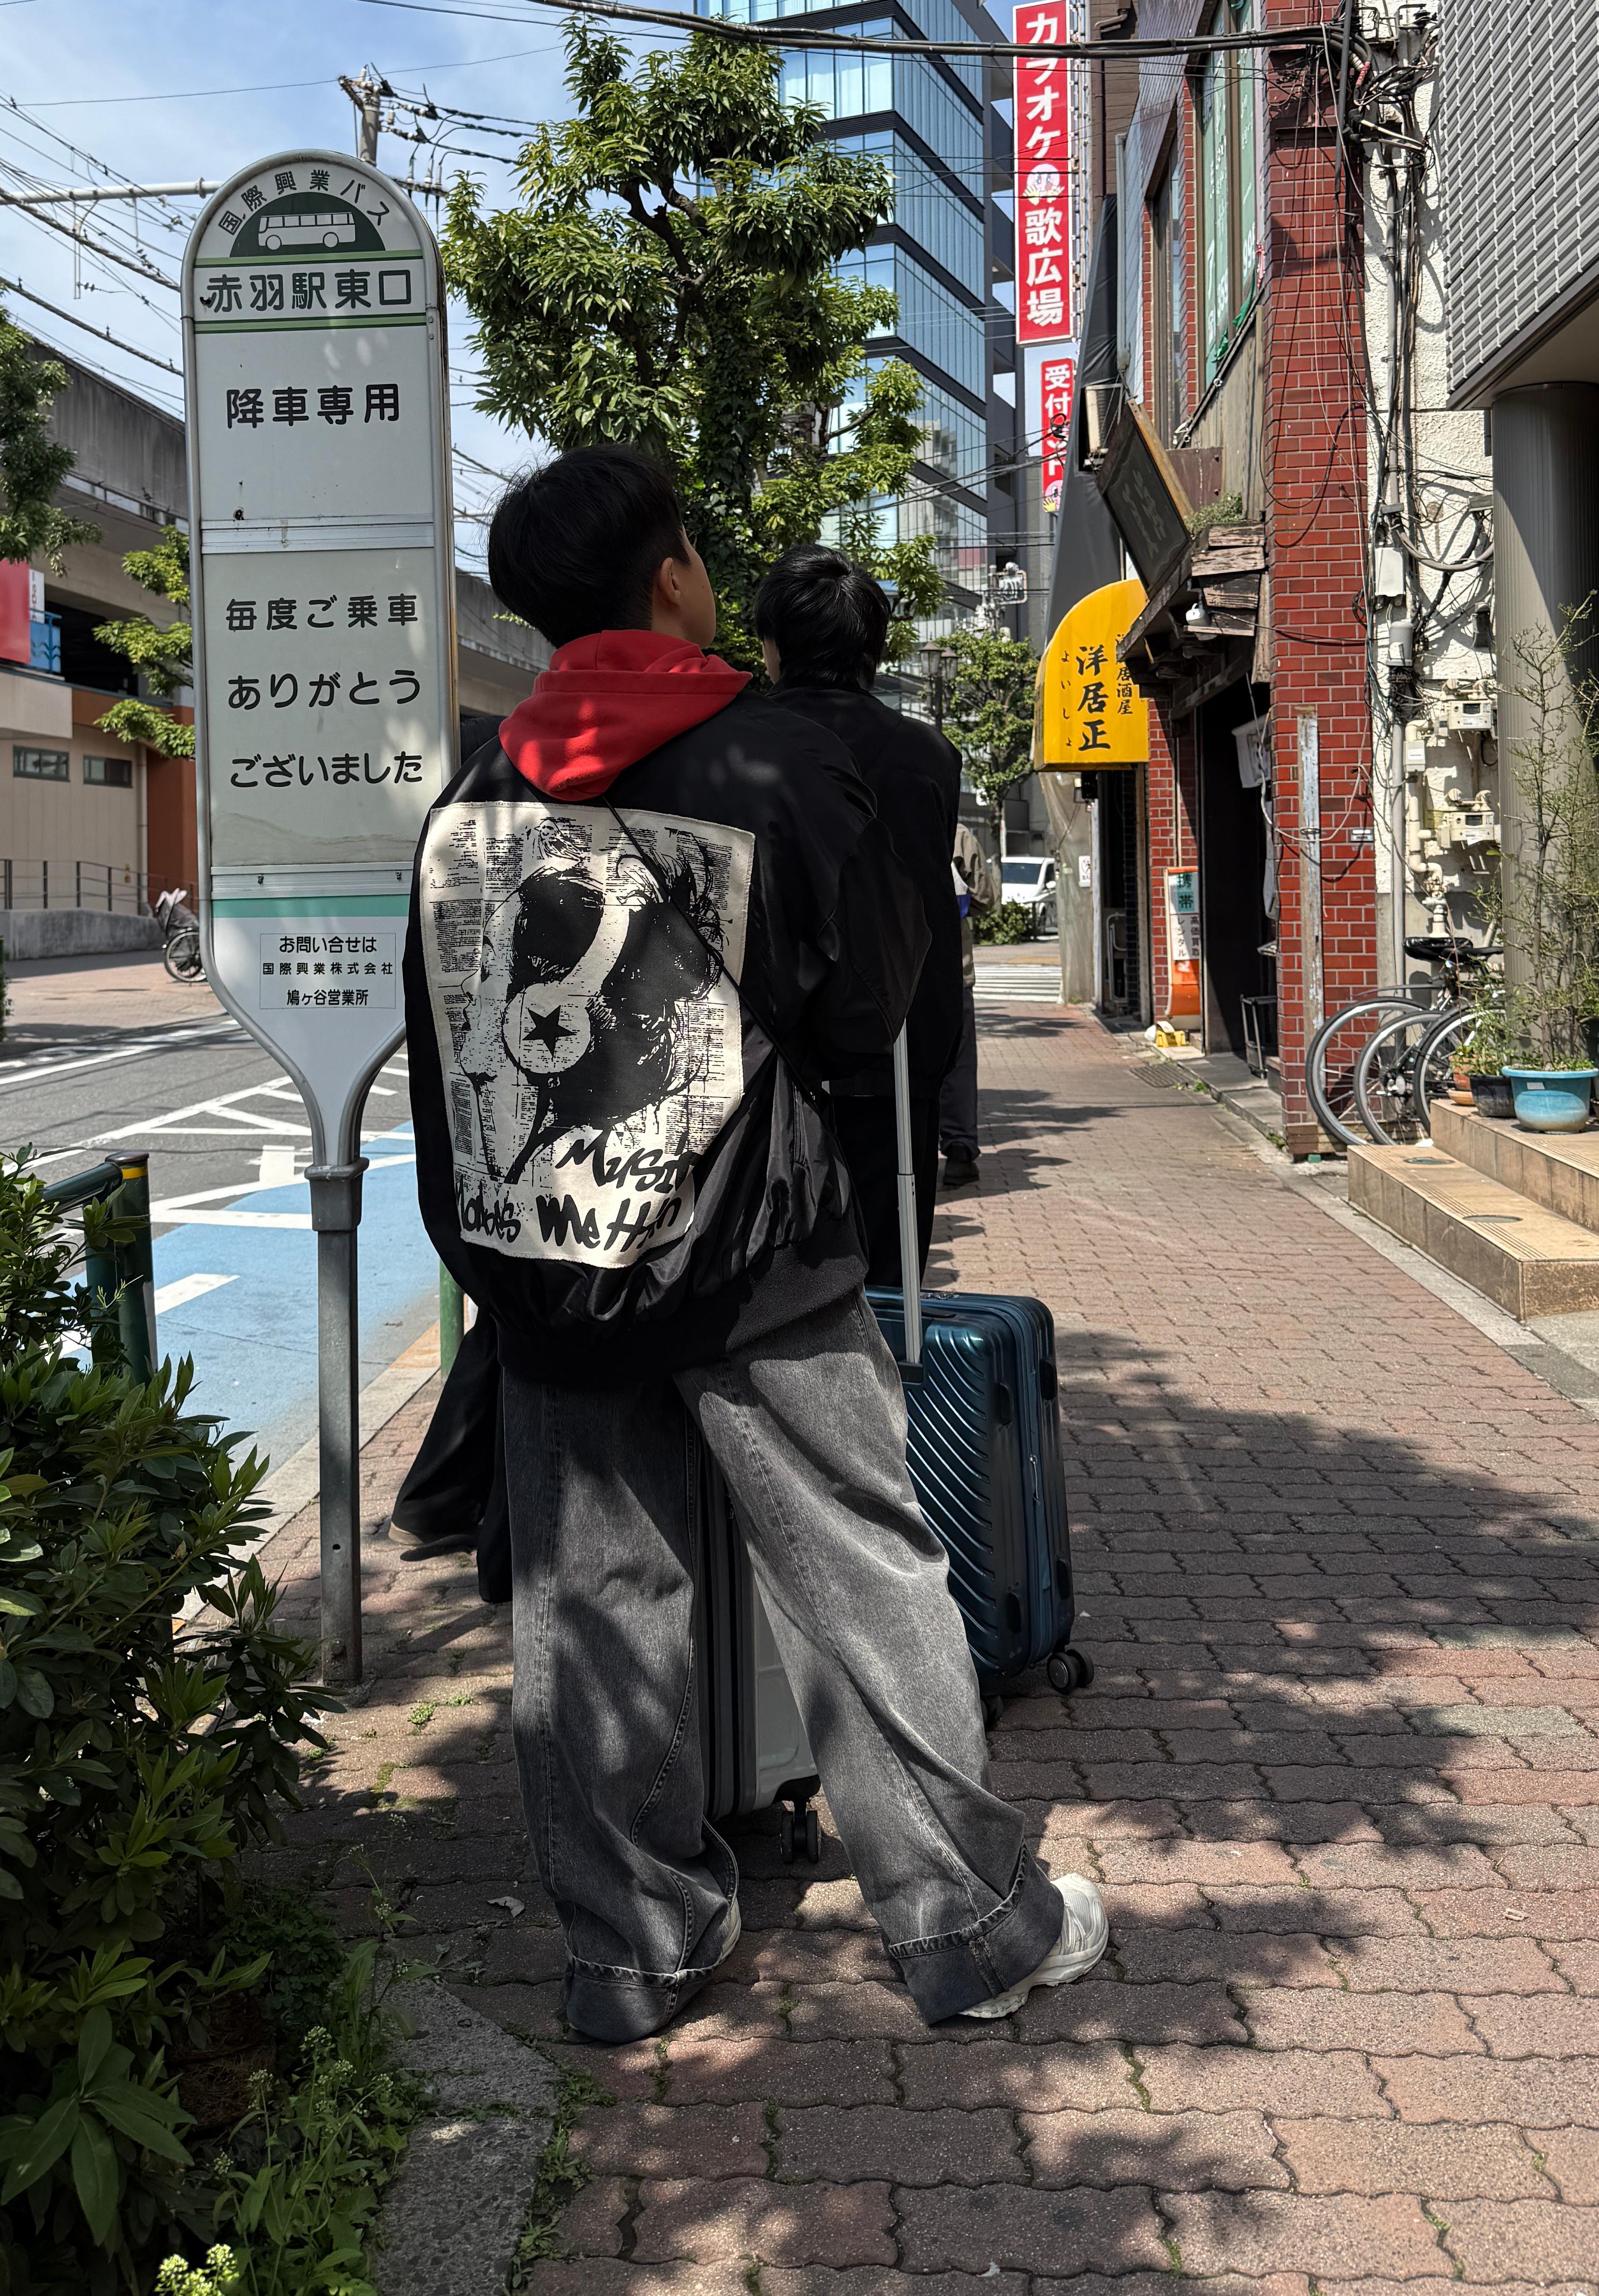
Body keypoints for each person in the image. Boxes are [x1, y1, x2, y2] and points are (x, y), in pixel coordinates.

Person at [404, 445, 1106, 2043]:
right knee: (860, 1568)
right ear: (670, 575)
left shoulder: (477, 786)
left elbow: (450, 1044)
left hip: (549, 1261)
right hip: (749, 1249)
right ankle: (964, 1918)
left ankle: (630, 1953)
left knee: (589, 1604)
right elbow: (863, 1014)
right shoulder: (768, 757)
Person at [754, 545, 962, 1292]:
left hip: (768, 1055)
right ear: (874, 648)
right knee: (889, 1270)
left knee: (771, 1276)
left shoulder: (737, 745)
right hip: (897, 1042)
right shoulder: (926, 754)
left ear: (772, 647)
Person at [940, 818, 997, 1194]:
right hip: (952, 971)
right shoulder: (957, 834)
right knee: (958, 1064)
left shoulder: (875, 815)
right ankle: (959, 1150)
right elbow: (985, 899)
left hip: (892, 976)